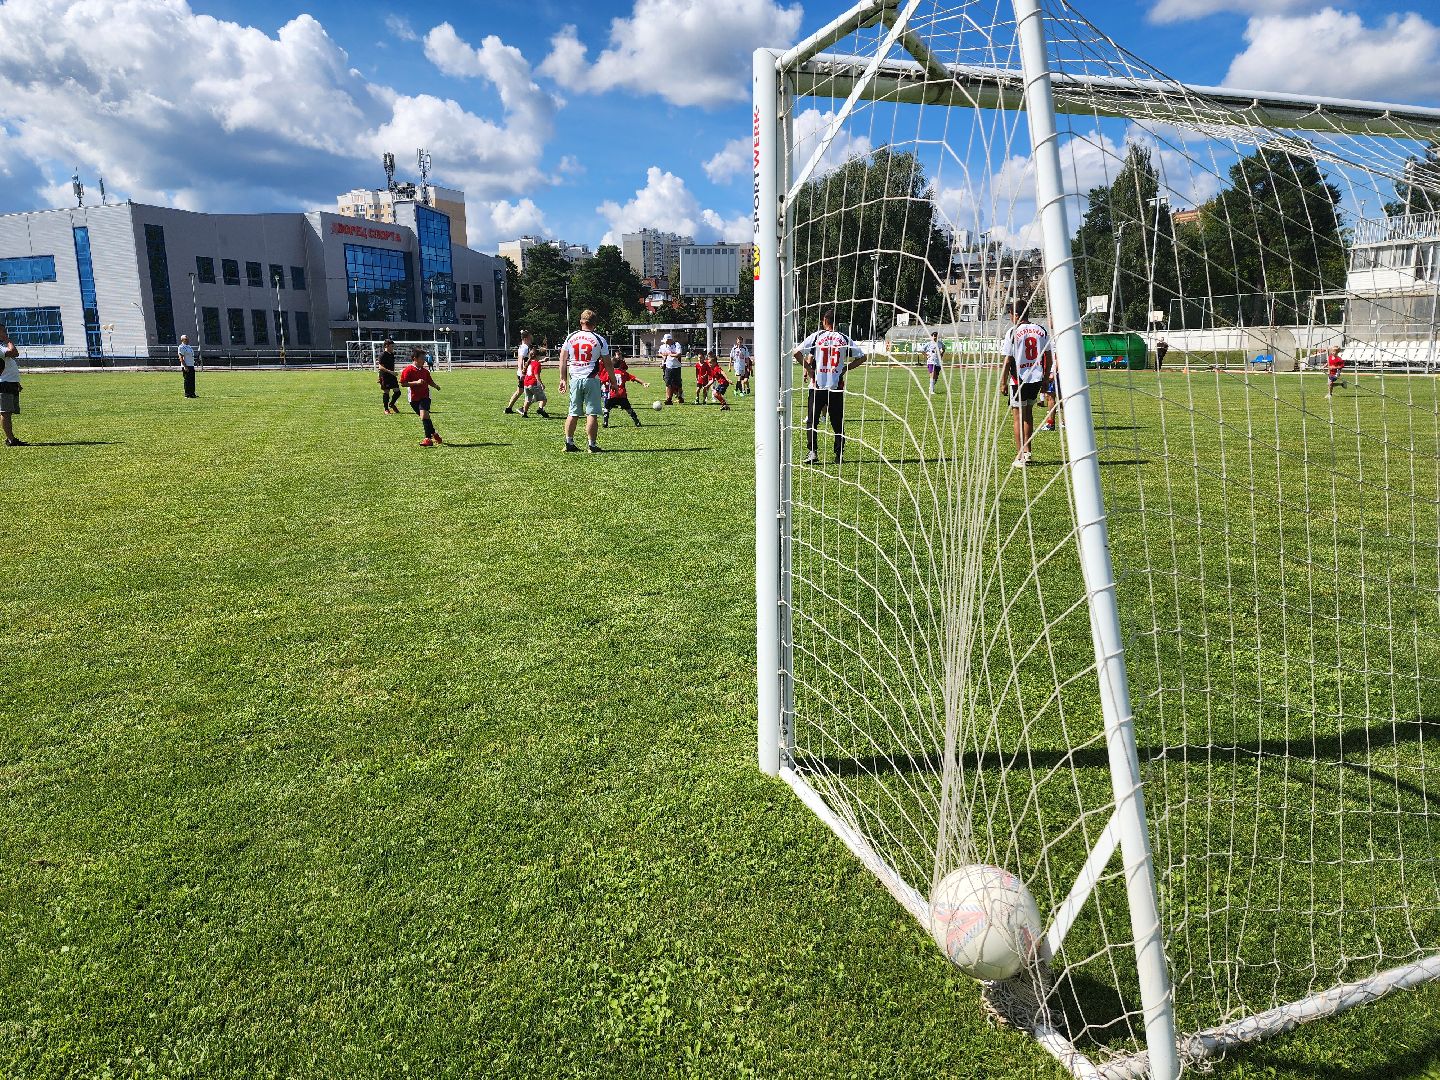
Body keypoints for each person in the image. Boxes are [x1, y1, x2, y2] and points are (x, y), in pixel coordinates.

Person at [793, 310, 866, 465]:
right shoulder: (843, 338)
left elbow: (796, 352)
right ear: (837, 322)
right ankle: (839, 454)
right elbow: (863, 357)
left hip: (818, 385)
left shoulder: (817, 336)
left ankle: (812, 452)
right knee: (837, 421)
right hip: (835, 385)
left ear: (824, 320)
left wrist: (809, 369)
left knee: (812, 421)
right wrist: (846, 368)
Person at [999, 304, 1051, 467]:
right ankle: (1027, 452)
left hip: (1019, 379)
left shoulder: (1013, 332)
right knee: (1028, 414)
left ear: (1016, 314)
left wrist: (1003, 382)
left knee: (1017, 418)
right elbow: (1048, 356)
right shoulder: (1041, 330)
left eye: (1010, 314)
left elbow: (1007, 360)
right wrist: (1045, 376)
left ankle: (1020, 456)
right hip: (1035, 378)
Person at [557, 308, 610, 453]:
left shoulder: (571, 337)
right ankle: (592, 445)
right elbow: (607, 363)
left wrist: (563, 379)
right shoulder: (599, 339)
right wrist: (614, 381)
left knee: (573, 412)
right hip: (591, 379)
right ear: (595, 324)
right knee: (591, 413)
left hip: (575, 379)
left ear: (581, 322)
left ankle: (569, 443)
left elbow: (563, 359)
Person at [399, 346, 443, 446]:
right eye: (422, 358)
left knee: (424, 416)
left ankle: (428, 439)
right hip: (413, 399)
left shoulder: (425, 371)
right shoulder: (408, 370)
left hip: (425, 397)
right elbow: (403, 383)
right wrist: (416, 382)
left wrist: (435, 386)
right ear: (415, 358)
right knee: (425, 418)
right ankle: (435, 434)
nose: (425, 360)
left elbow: (429, 381)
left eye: (425, 358)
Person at [602, 359, 648, 428]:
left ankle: (605, 422)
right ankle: (637, 422)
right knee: (629, 409)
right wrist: (643, 383)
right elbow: (634, 378)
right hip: (622, 395)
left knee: (606, 408)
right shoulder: (623, 373)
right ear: (620, 365)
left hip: (612, 395)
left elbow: (603, 380)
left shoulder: (609, 373)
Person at [1, 324, 24, 447]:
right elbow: (14, 352)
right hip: (4, 384)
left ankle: (11, 438)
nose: (5, 333)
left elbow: (8, 367)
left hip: (9, 382)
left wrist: (16, 382)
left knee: (8, 412)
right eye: (2, 331)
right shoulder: (1, 348)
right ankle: (10, 440)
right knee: (5, 412)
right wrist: (7, 339)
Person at [518, 344, 551, 419]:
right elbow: (536, 375)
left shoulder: (528, 363)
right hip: (533, 384)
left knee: (528, 399)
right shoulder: (537, 364)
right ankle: (540, 409)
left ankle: (524, 413)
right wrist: (541, 384)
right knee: (544, 399)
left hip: (526, 384)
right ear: (537, 356)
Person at [504, 331, 531, 414]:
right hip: (524, 373)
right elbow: (521, 360)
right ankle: (523, 409)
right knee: (532, 390)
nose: (531, 340)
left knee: (520, 391)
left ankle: (508, 408)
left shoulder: (522, 347)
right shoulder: (525, 347)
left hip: (521, 373)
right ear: (526, 338)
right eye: (530, 338)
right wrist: (522, 372)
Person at [658, 333, 685, 404]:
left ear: (670, 340)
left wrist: (669, 354)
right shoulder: (664, 346)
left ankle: (680, 397)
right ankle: (668, 399)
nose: (665, 342)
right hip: (668, 367)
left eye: (666, 340)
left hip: (677, 367)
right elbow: (660, 353)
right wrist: (663, 358)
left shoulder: (677, 345)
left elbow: (678, 354)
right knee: (668, 383)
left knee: (678, 384)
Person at [376, 338, 401, 413]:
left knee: (398, 392)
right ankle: (386, 409)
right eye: (392, 346)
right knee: (386, 392)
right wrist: (380, 377)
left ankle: (392, 404)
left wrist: (393, 372)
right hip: (385, 376)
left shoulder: (392, 354)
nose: (393, 348)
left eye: (393, 346)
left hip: (392, 375)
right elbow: (380, 367)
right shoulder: (383, 355)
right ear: (386, 346)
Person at [921, 330, 945, 395]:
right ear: (931, 337)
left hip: (938, 362)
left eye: (936, 336)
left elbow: (944, 348)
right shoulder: (929, 344)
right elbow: (922, 350)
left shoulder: (940, 343)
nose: (935, 337)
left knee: (936, 377)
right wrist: (926, 355)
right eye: (934, 336)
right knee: (932, 374)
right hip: (931, 361)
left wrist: (941, 354)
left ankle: (931, 386)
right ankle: (931, 390)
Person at [177, 334, 198, 398]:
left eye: (187, 339)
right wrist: (185, 366)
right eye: (186, 339)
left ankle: (192, 393)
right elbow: (181, 357)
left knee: (192, 380)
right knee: (187, 380)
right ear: (182, 340)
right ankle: (187, 394)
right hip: (186, 366)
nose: (187, 340)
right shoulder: (181, 347)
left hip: (191, 365)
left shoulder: (189, 347)